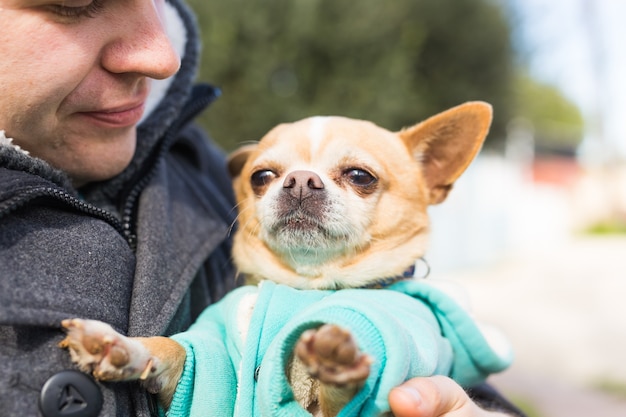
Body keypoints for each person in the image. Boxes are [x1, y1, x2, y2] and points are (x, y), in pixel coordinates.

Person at [0, 0, 526, 416]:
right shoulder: (238, 310)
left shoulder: (192, 161)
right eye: (267, 177)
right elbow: (205, 361)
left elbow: (424, 369)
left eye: (358, 178)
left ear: (431, 178)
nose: (299, 186)